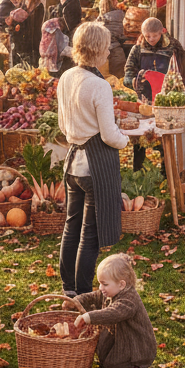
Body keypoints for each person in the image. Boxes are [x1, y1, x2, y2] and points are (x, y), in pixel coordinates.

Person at [57, 23, 129, 297]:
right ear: (99, 49)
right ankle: (84, 292)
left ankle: (69, 289)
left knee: (71, 226)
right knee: (90, 234)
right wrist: (126, 140)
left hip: (73, 162)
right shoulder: (99, 85)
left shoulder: (66, 77)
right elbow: (110, 135)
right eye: (107, 46)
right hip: (95, 166)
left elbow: (63, 126)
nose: (110, 51)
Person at [71, 253, 156, 368]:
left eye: (104, 284)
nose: (100, 288)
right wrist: (75, 302)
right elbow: (93, 296)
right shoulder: (110, 291)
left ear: (121, 284)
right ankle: (117, 365)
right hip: (118, 337)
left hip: (133, 342)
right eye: (99, 283)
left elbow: (114, 313)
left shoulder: (129, 300)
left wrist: (88, 317)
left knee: (124, 360)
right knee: (110, 361)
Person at [124, 16, 185, 170]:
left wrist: (182, 91)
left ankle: (167, 173)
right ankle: (137, 172)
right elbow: (127, 74)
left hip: (166, 103)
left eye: (154, 35)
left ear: (162, 32)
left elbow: (181, 73)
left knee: (164, 139)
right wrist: (133, 82)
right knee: (139, 140)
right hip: (144, 102)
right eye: (147, 36)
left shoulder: (172, 48)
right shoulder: (137, 49)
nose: (151, 39)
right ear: (142, 34)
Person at [7, 0, 45, 68]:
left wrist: (24, 17)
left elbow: (35, 27)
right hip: (21, 41)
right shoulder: (22, 4)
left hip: (32, 42)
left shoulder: (39, 6)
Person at [98, 0, 127, 78]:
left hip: (102, 55)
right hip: (116, 54)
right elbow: (122, 36)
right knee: (119, 81)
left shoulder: (99, 20)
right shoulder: (121, 15)